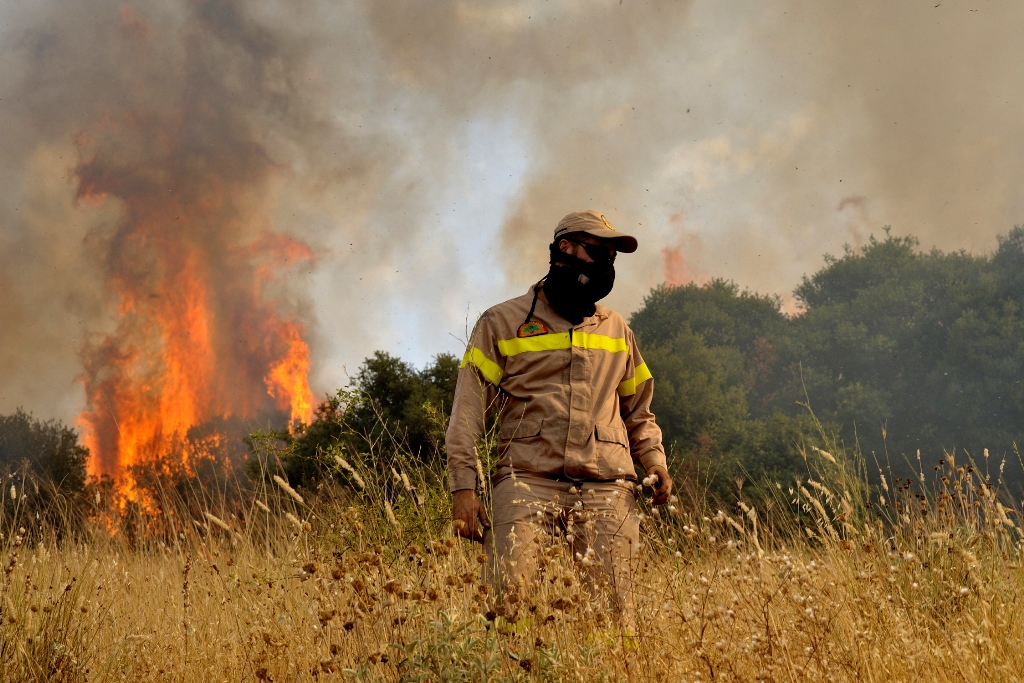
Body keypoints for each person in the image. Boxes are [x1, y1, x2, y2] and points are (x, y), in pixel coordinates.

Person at [445, 209, 671, 623]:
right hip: (525, 482)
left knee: (615, 616)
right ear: (564, 248)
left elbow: (639, 411)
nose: (606, 264)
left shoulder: (617, 329)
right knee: (507, 608)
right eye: (597, 252)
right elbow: (466, 414)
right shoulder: (502, 323)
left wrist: (655, 461)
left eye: (612, 257)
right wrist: (464, 488)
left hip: (607, 486)